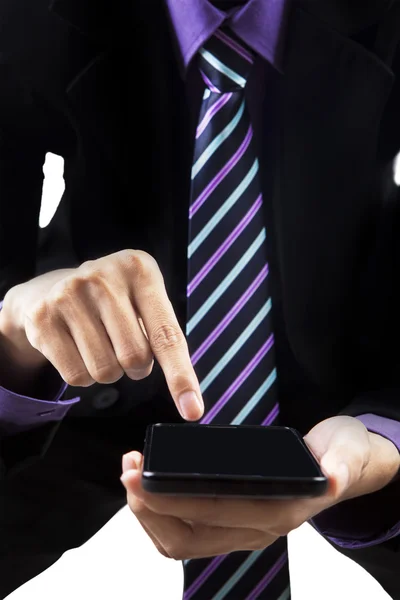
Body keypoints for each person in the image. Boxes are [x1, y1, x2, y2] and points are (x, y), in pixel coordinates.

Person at [0, 0, 400, 598]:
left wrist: (389, 429)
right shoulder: (27, 18)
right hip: (89, 370)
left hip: (361, 364)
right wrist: (14, 329)